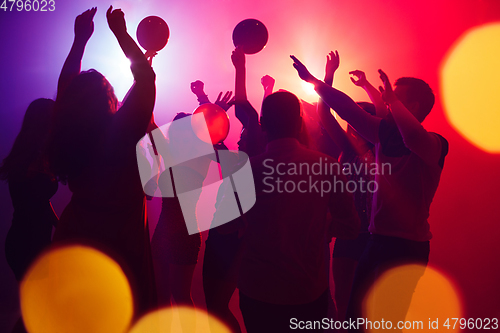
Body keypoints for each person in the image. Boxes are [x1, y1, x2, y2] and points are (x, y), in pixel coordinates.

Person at [291, 54, 449, 332]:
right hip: (377, 241)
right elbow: (347, 110)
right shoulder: (382, 135)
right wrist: (314, 81)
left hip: (407, 248)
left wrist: (391, 101)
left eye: (393, 98)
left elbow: (411, 136)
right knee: (354, 320)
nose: (386, 103)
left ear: (410, 106)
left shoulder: (435, 144)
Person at [48, 7, 157, 317]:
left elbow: (67, 86)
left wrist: (80, 41)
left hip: (78, 232)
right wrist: (120, 32)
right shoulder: (122, 132)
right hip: (122, 238)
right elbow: (146, 78)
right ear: (110, 98)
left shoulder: (69, 134)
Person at [237, 91, 360, 333]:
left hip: (258, 286)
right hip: (306, 288)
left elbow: (228, 226)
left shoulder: (246, 170)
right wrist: (322, 226)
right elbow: (351, 227)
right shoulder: (327, 166)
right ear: (299, 122)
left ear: (263, 124)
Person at [315, 51, 376, 325]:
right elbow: (324, 113)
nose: (353, 128)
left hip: (376, 237)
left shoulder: (388, 153)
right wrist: (328, 76)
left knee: (367, 305)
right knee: (343, 303)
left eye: (358, 123)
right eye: (352, 124)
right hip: (349, 234)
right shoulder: (349, 152)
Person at [1, 98, 58, 333]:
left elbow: (41, 201)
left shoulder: (27, 156)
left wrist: (59, 223)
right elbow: (38, 201)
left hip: (25, 240)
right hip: (30, 242)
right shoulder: (34, 160)